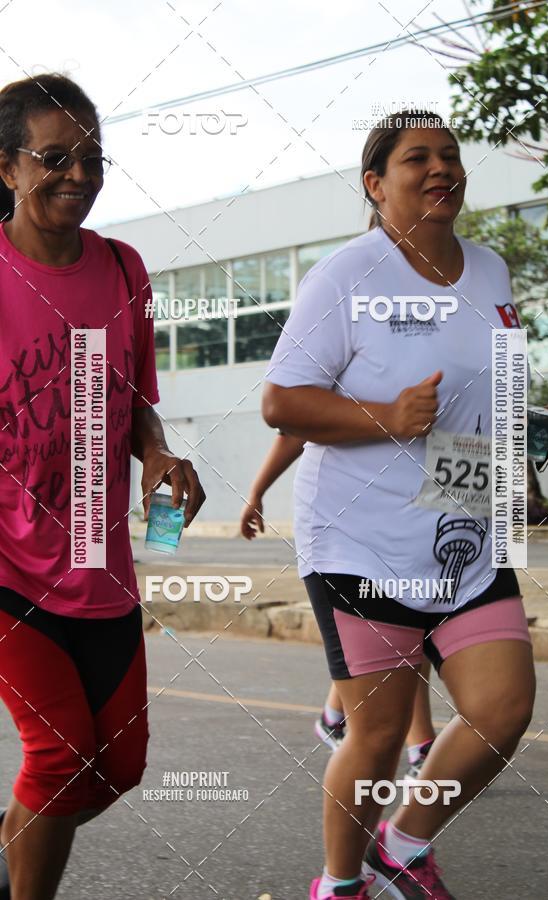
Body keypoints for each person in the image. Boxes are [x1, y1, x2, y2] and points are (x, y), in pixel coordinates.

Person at [262, 112, 548, 900]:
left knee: (501, 709)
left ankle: (402, 846)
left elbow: (487, 386)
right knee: (373, 735)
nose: (442, 169)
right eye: (417, 159)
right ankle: (339, 885)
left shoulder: (492, 269)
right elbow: (281, 402)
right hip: (361, 539)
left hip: (461, 528)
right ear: (376, 184)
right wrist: (384, 417)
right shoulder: (346, 276)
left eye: (450, 156)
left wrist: (526, 433)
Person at [0, 74, 205, 900]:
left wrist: (157, 456)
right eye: (55, 157)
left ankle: (12, 849)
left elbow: (135, 402)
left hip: (101, 563)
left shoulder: (123, 270)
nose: (78, 176)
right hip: (9, 570)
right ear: (7, 168)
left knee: (114, 768)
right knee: (58, 758)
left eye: (93, 159)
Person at [240, 433, 437, 764]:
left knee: (413, 624)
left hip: (419, 509)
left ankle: (336, 716)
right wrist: (256, 492)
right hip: (351, 522)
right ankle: (421, 748)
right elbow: (292, 424)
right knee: (403, 626)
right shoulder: (343, 385)